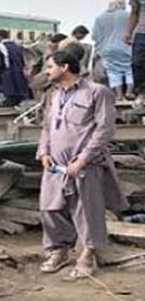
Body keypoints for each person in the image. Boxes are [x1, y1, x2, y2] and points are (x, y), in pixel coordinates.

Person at [36, 50, 127, 279]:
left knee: (87, 210)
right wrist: (44, 152)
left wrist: (84, 158)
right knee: (50, 208)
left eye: (50, 66)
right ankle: (59, 250)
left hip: (85, 163)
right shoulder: (54, 95)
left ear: (64, 67)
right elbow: (47, 127)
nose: (47, 71)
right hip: (55, 163)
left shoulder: (97, 92)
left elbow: (104, 129)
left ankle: (87, 255)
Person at [94, 0, 134, 99]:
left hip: (107, 50)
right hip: (127, 47)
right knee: (129, 70)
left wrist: (99, 50)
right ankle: (129, 92)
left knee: (113, 72)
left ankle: (119, 95)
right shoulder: (128, 15)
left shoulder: (100, 18)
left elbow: (95, 36)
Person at [0, 29, 31, 106]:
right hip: (19, 73)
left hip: (7, 74)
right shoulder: (17, 46)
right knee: (18, 96)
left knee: (9, 97)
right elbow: (22, 60)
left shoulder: (1, 47)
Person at [126, 0, 145, 105]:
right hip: (141, 32)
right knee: (137, 63)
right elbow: (134, 14)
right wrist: (128, 32)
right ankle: (142, 92)